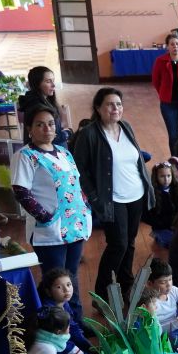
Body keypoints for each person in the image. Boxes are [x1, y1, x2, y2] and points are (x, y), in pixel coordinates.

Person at [72, 87, 154, 300]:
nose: (115, 108)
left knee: (130, 242)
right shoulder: (89, 134)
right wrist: (94, 196)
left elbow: (136, 159)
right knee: (118, 245)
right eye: (109, 104)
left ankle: (127, 285)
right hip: (112, 199)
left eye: (118, 104)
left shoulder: (126, 127)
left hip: (135, 194)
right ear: (98, 108)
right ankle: (102, 295)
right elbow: (78, 169)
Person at [12, 104, 92, 305]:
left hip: (75, 224)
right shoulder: (25, 156)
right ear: (29, 129)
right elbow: (21, 191)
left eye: (51, 123)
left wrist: (85, 207)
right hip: (50, 231)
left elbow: (75, 184)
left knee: (71, 278)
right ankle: (53, 320)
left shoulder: (64, 152)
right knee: (55, 282)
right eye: (40, 124)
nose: (47, 128)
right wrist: (46, 217)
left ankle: (75, 320)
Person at [37, 268, 94, 354]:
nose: (66, 289)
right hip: (54, 351)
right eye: (59, 287)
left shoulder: (64, 303)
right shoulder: (49, 313)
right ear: (48, 292)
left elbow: (74, 329)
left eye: (68, 284)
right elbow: (61, 342)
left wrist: (91, 349)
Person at [17, 66, 71, 141]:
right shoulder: (39, 109)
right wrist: (68, 133)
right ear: (37, 84)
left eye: (53, 81)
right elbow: (48, 136)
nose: (53, 85)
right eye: (48, 82)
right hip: (48, 147)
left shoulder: (45, 100)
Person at [143, 161, 178, 248]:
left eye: (168, 176)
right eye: (162, 176)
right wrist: (160, 224)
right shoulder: (152, 193)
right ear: (156, 177)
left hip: (176, 225)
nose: (166, 179)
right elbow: (146, 216)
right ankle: (158, 237)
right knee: (173, 245)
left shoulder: (177, 189)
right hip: (161, 227)